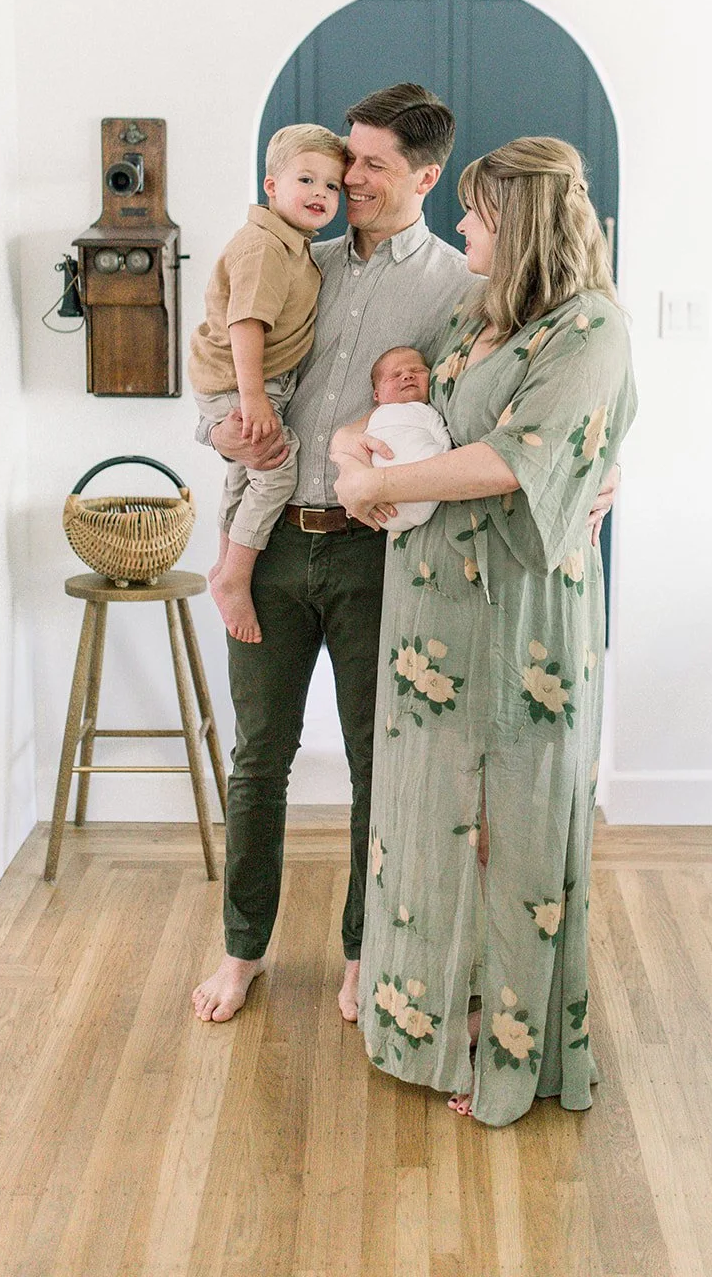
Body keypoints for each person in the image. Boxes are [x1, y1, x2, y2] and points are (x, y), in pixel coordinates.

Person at [332, 137, 637, 1127]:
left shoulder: (588, 329)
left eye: (475, 212)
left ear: (519, 225)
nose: (460, 225)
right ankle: (433, 1021)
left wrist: (374, 484)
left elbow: (511, 459)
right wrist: (351, 455)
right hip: (428, 613)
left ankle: (510, 1046)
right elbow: (390, 405)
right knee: (426, 819)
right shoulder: (475, 312)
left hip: (517, 617)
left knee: (512, 823)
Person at [191, 84, 469, 1024]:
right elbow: (217, 373)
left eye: (374, 164)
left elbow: (490, 410)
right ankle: (242, 950)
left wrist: (602, 475)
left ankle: (363, 951)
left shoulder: (457, 288)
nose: (349, 178)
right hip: (268, 546)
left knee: (374, 764)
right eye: (348, 158)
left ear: (424, 177)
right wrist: (220, 431)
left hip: (375, 558)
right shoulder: (290, 257)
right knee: (258, 760)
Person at [188, 125, 346, 642]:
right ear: (271, 186)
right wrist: (254, 398)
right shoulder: (264, 246)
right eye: (306, 179)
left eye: (332, 186)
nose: (321, 193)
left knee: (246, 470)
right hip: (241, 382)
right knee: (277, 467)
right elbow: (246, 322)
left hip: (243, 382)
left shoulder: (293, 245)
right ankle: (235, 576)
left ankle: (223, 564)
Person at [365, 346, 452, 531]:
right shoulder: (375, 417)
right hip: (378, 504)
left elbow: (444, 442)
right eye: (395, 375)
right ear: (377, 395)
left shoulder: (427, 411)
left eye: (417, 370)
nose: (407, 376)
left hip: (425, 490)